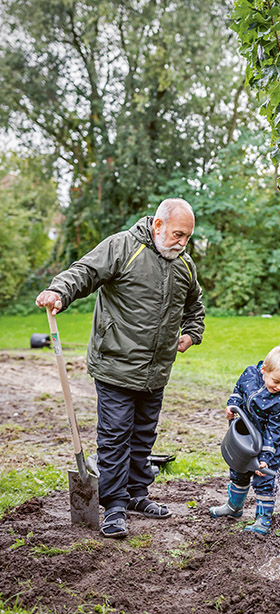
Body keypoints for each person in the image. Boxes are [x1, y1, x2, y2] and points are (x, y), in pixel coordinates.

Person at [36, 198, 205, 538]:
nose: (182, 243)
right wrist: (58, 291)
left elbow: (195, 306)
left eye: (187, 237)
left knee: (143, 436)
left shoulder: (184, 265)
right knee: (115, 437)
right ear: (157, 225)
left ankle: (137, 495)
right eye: (177, 234)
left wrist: (191, 333)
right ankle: (113, 503)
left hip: (156, 371)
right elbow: (84, 272)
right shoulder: (122, 247)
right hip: (115, 364)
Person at [209, 345, 280, 534]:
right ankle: (234, 507)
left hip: (271, 445)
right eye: (277, 381)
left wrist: (265, 459)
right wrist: (232, 405)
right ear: (264, 369)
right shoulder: (250, 374)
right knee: (239, 470)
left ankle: (263, 520)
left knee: (263, 480)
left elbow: (275, 431)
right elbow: (238, 390)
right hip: (248, 437)